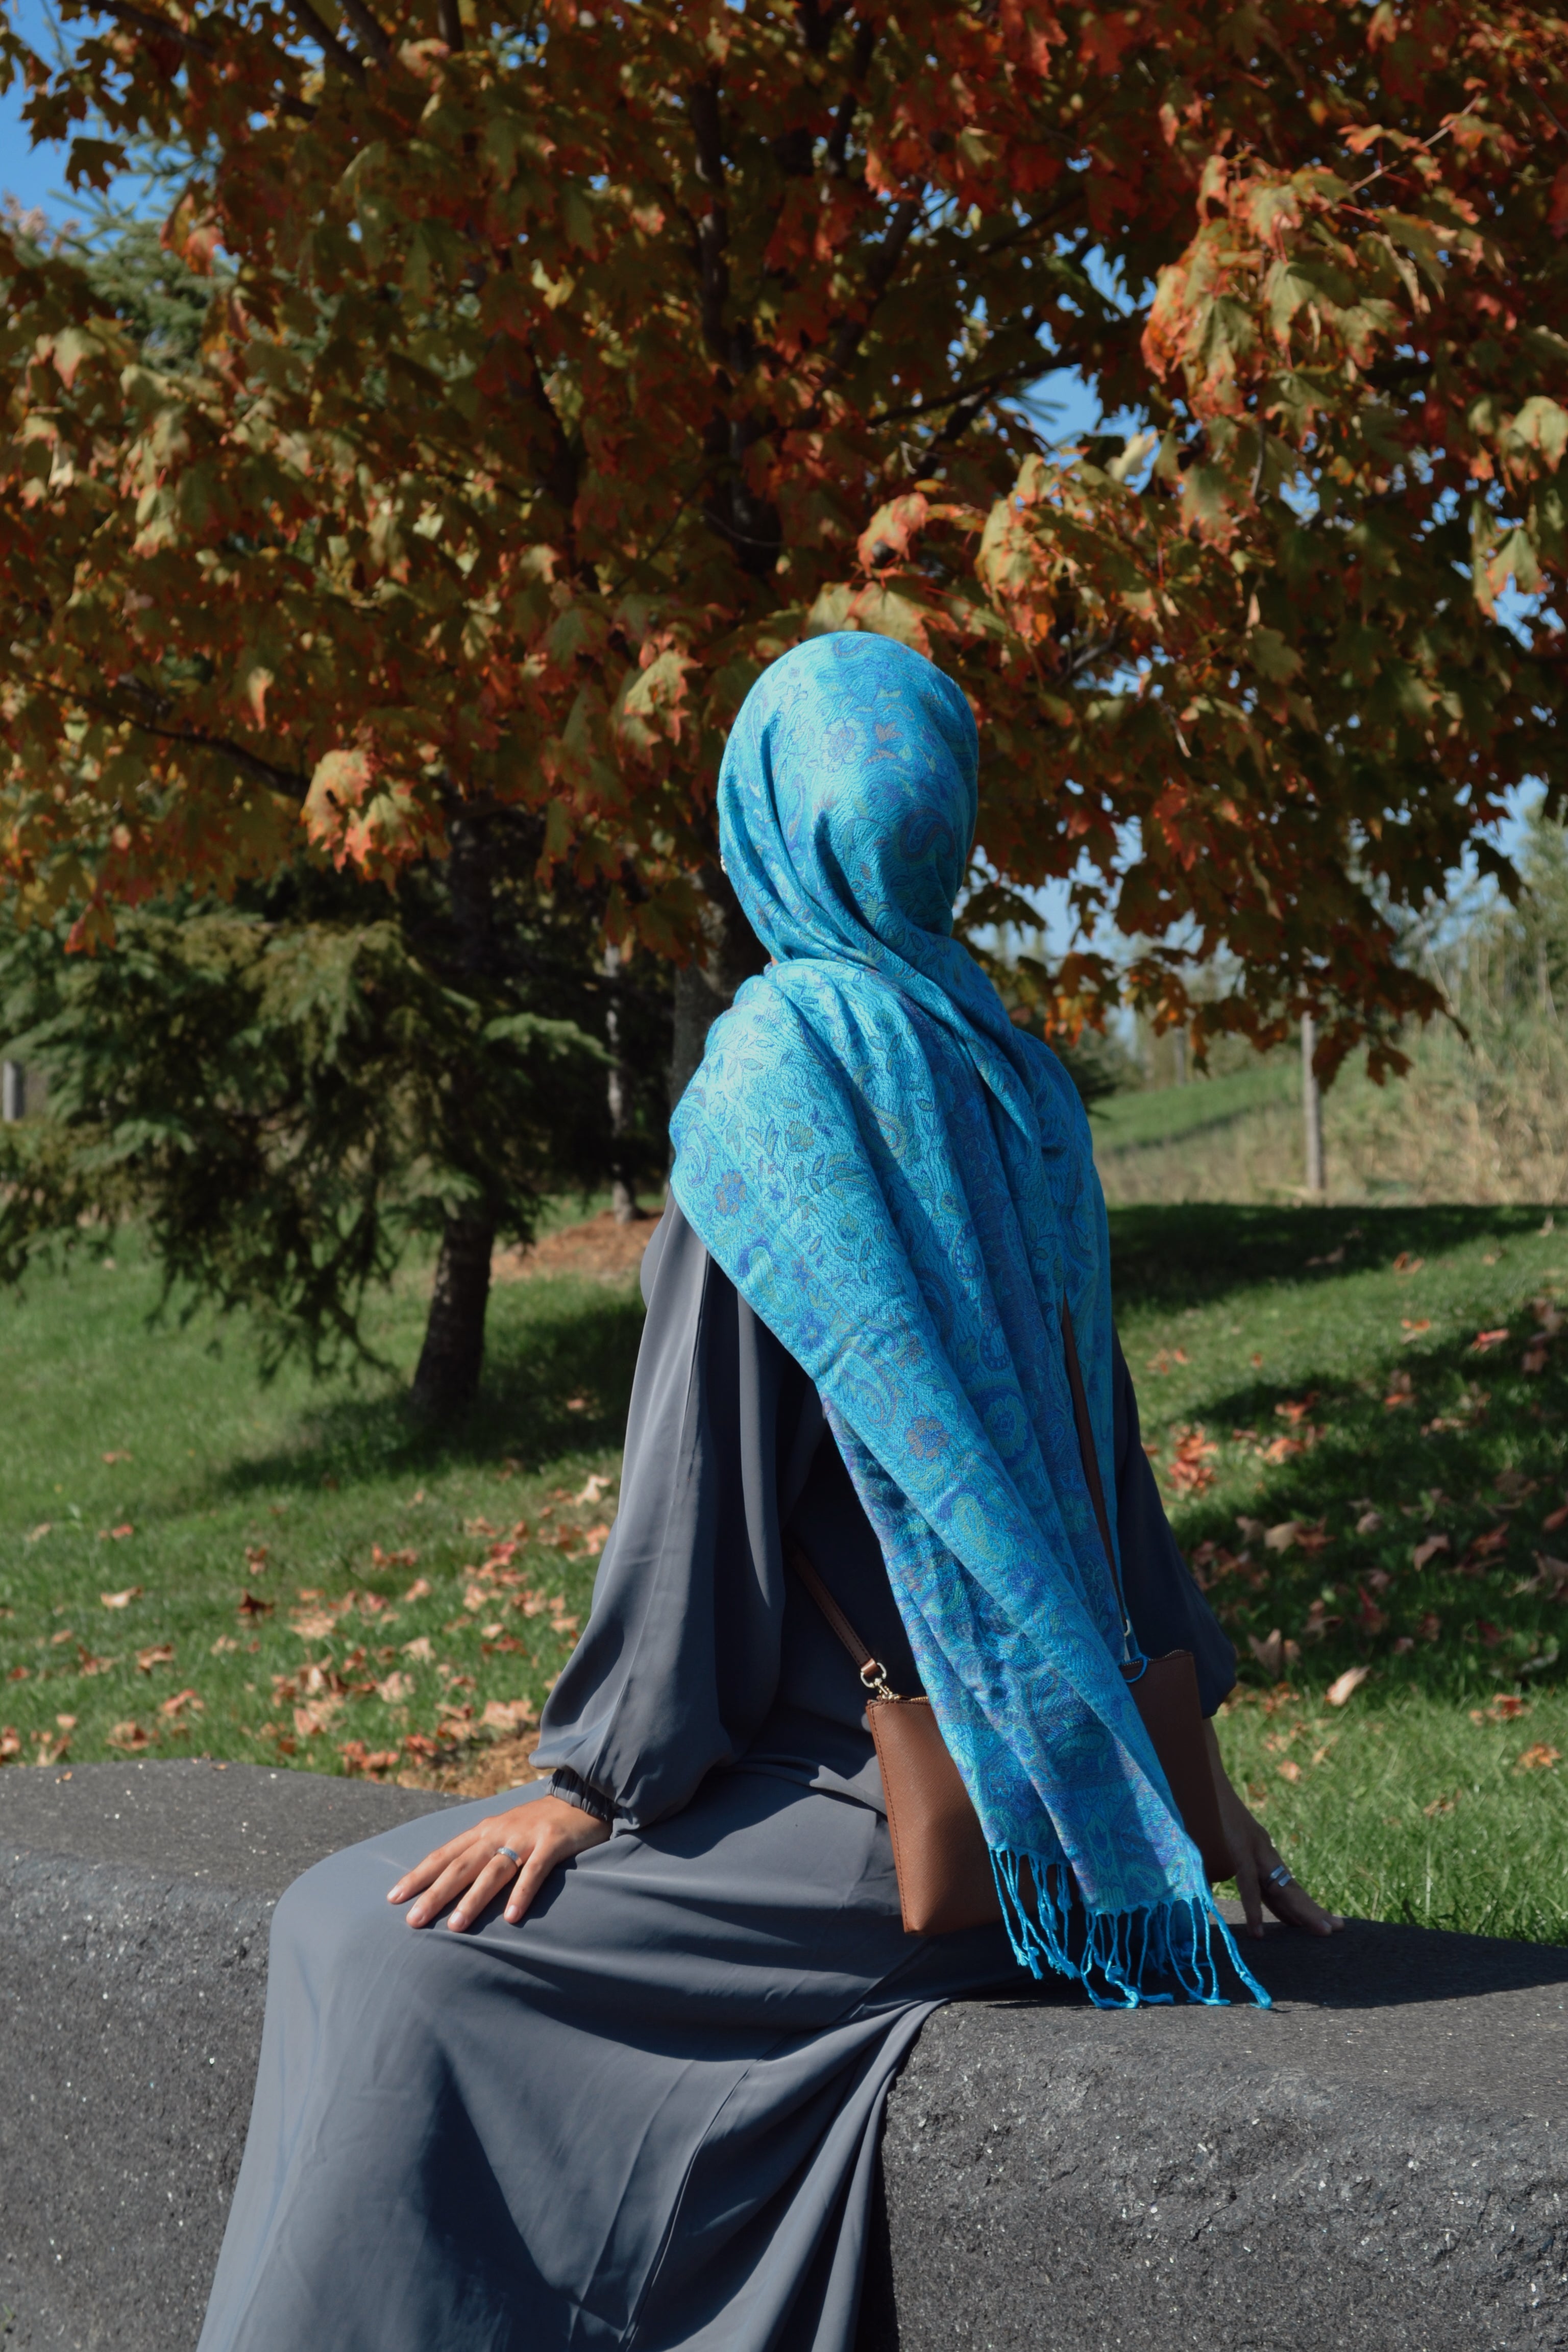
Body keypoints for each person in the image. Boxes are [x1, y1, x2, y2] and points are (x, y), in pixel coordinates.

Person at [197, 633, 1341, 2352]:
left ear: (766, 824)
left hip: (880, 1828)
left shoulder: (777, 1087)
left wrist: (593, 1788)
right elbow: (1102, 1470)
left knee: (359, 1943)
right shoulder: (1022, 1085)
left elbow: (699, 1502)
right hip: (1059, 1837)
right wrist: (1184, 1794)